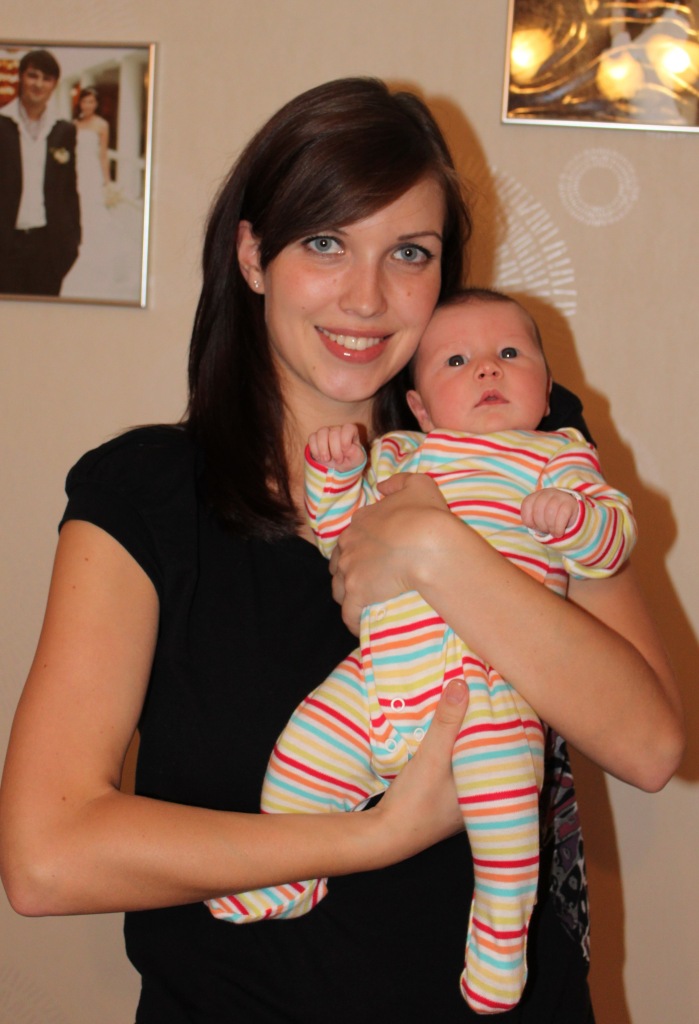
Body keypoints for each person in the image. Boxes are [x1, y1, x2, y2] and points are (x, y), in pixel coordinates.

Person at [0, 78, 683, 1024]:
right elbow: (46, 857)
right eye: (326, 243)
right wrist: (376, 835)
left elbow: (648, 744)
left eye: (409, 252)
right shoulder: (146, 493)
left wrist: (437, 549)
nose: (366, 297)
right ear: (253, 254)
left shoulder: (524, 443)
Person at [209, 288, 637, 1014]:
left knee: (506, 827)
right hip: (379, 676)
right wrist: (336, 474)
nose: (487, 370)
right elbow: (339, 534)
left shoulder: (556, 457)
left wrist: (572, 521)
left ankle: (499, 950)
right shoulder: (401, 456)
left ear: (545, 388)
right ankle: (285, 878)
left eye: (510, 354)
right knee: (300, 756)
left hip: (490, 688)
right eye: (456, 362)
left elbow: (612, 537)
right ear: (420, 408)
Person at [0, 48, 81, 296]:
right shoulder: (2, 124)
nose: (38, 84)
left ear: (54, 84)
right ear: (21, 77)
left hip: (48, 247)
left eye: (46, 78)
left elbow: (69, 190)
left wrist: (71, 243)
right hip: (5, 244)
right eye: (32, 75)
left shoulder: (63, 130)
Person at [61, 86, 120, 300]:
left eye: (92, 102)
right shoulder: (74, 125)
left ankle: (93, 251)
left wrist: (107, 182)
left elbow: (103, 155)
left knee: (92, 210)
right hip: (75, 171)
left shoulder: (102, 125)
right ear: (80, 103)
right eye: (85, 101)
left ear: (96, 105)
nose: (88, 105)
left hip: (92, 172)